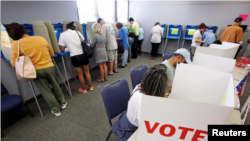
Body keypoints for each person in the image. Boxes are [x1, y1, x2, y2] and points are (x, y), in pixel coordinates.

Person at [7, 23, 66, 116]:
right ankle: (63, 102)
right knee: (56, 85)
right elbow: (51, 54)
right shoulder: (41, 38)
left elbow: (14, 63)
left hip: (36, 70)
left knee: (46, 91)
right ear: (23, 30)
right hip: (49, 66)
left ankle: (56, 109)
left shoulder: (16, 44)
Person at [113, 64, 172, 141]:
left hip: (129, 116)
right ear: (156, 90)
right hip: (130, 129)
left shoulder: (144, 86)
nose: (166, 94)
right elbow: (147, 130)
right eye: (165, 92)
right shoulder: (142, 103)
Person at [59, 22, 93, 93]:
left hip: (75, 56)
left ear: (66, 28)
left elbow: (62, 49)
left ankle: (84, 90)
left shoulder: (63, 34)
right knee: (87, 72)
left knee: (80, 74)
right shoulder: (78, 32)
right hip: (83, 55)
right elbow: (83, 41)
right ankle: (91, 86)